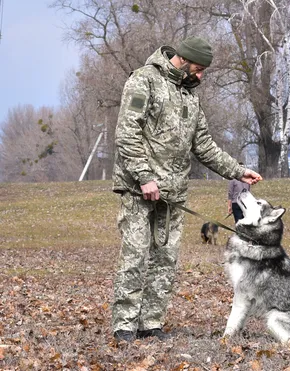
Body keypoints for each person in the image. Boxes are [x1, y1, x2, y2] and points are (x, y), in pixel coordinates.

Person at [111, 36, 262, 342]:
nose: (201, 75)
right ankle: (125, 326)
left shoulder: (189, 96)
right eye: (200, 68)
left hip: (173, 194)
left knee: (165, 260)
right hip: (139, 191)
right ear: (185, 59)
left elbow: (203, 145)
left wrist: (237, 171)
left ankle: (151, 324)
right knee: (135, 257)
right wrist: (143, 177)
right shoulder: (144, 81)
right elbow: (127, 134)